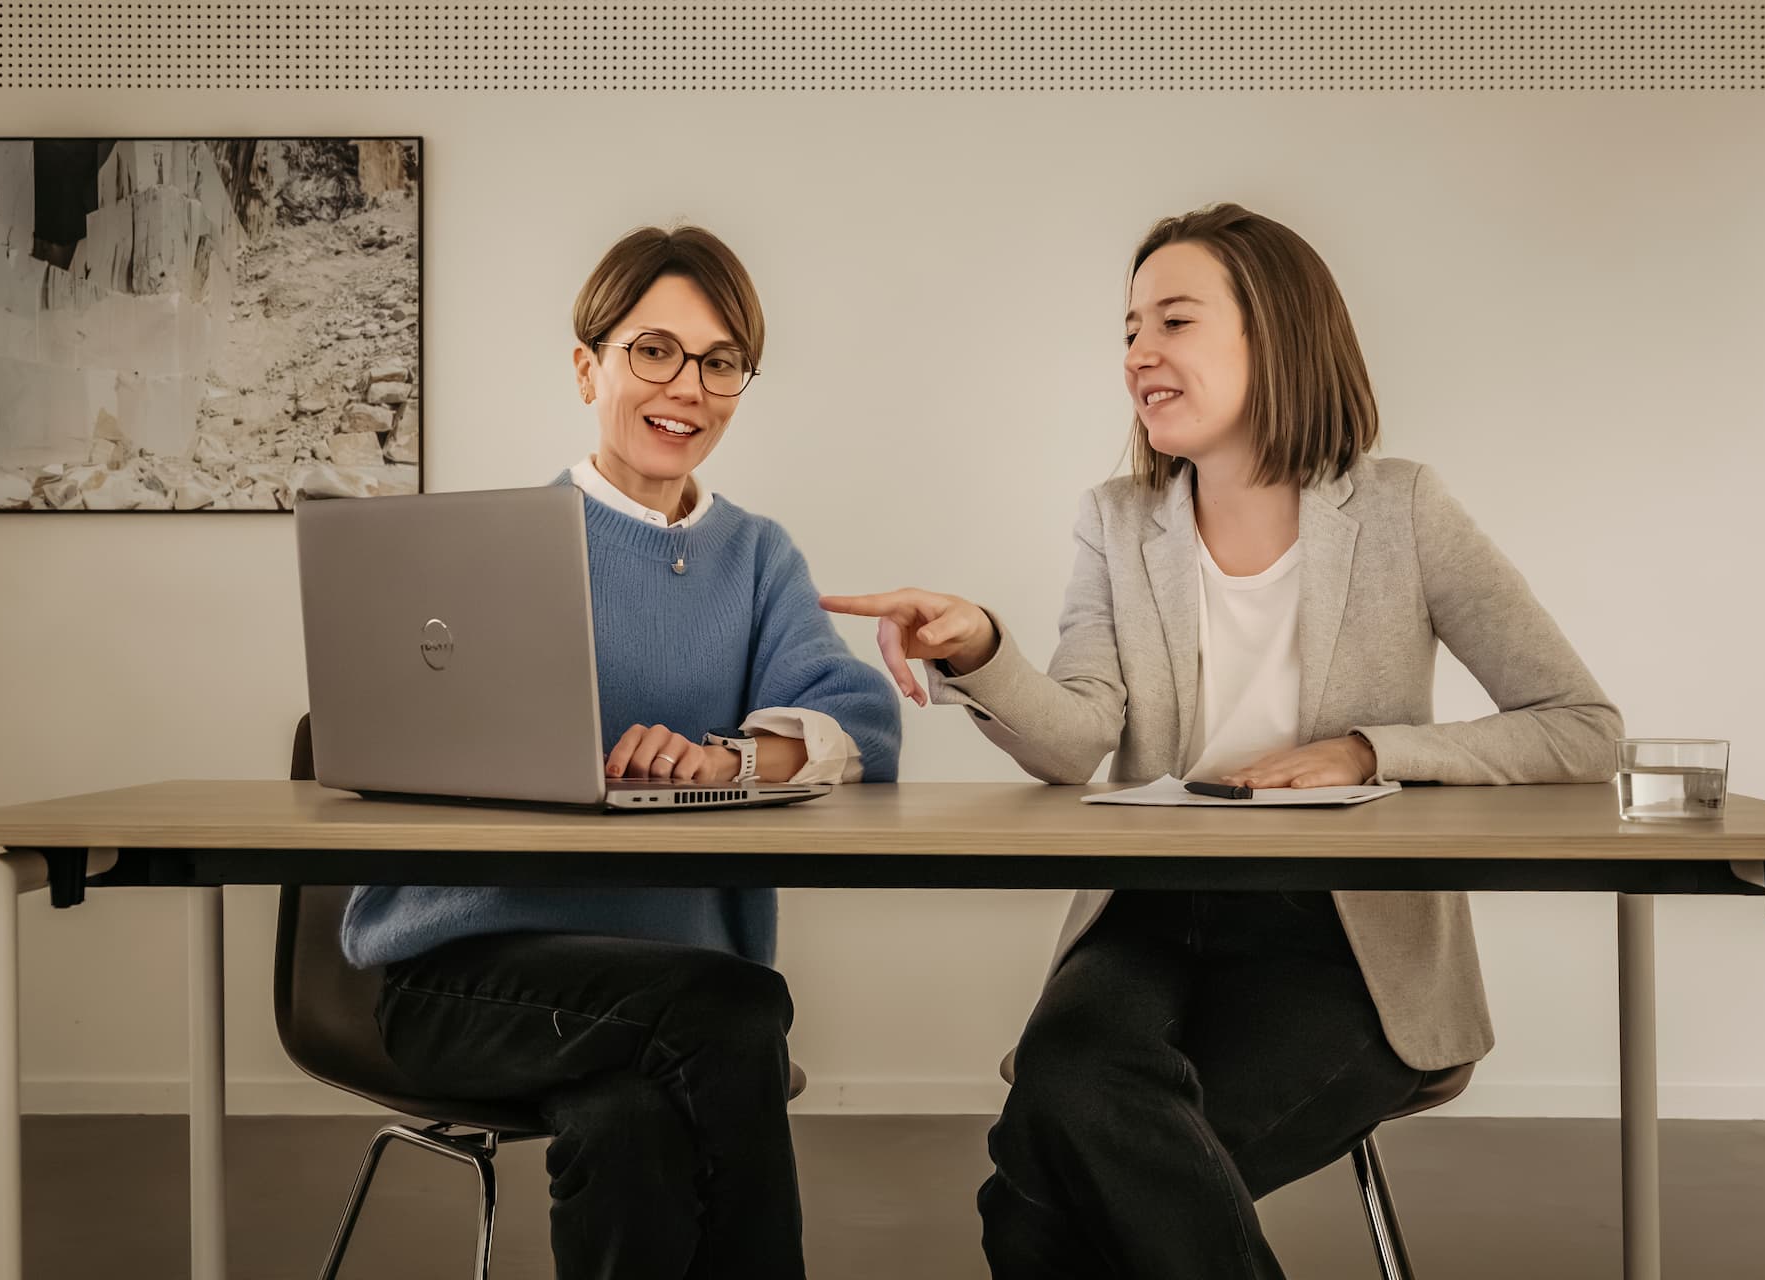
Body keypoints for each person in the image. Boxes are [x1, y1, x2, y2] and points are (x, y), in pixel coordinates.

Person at [822, 202, 1620, 1279]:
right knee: (1077, 1096)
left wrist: (1368, 751)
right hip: (1151, 909)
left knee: (1042, 1211)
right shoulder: (1115, 520)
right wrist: (980, 648)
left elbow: (1581, 727)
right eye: (1129, 329)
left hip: (1342, 938)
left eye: (1174, 321)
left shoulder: (1403, 510)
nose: (1139, 352)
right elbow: (1077, 738)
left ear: (1275, 336)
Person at [344, 225, 902, 1280]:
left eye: (721, 360)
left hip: (666, 1006)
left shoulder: (755, 555)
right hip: (468, 975)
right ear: (587, 365)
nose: (687, 385)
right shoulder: (488, 542)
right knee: (733, 1011)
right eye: (654, 349)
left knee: (631, 1121)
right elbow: (386, 728)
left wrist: (728, 759)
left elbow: (860, 721)